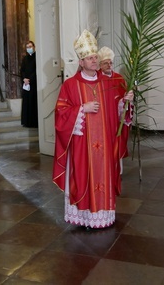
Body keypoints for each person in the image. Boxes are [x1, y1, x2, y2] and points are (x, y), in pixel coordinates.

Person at [52, 30, 133, 229]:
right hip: (82, 146)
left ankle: (104, 215)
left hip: (106, 143)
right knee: (83, 176)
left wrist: (126, 102)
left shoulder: (108, 82)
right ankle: (85, 217)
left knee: (104, 174)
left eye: (96, 57)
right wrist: (81, 109)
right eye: (90, 58)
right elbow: (60, 113)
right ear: (81, 62)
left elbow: (117, 111)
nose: (95, 61)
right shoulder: (70, 85)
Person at [97, 46, 131, 168]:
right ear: (100, 65)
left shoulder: (119, 78)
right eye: (105, 63)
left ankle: (117, 169)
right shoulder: (96, 79)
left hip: (116, 119)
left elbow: (125, 98)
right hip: (101, 118)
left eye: (110, 63)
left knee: (116, 143)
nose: (109, 65)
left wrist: (127, 100)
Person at [20, 40, 38, 128]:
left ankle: (34, 122)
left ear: (34, 47)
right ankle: (26, 122)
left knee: (33, 103)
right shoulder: (25, 58)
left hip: (34, 83)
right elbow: (22, 70)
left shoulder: (37, 57)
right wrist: (24, 79)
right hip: (26, 84)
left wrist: (30, 79)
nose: (29, 48)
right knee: (26, 103)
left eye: (30, 47)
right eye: (27, 47)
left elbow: (36, 70)